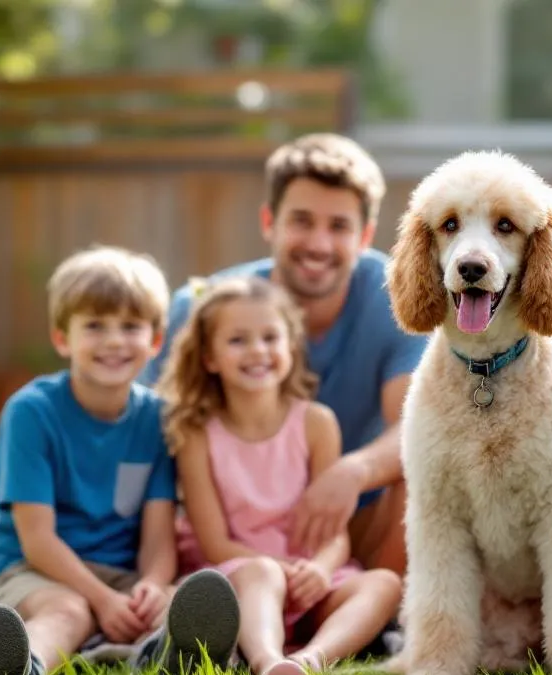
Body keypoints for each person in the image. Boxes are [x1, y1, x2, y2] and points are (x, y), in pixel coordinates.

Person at [0, 246, 241, 675]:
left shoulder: (159, 420)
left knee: (172, 599)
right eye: (95, 326)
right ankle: (20, 674)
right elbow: (37, 539)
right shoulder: (32, 412)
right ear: (63, 338)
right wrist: (101, 601)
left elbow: (159, 535)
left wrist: (149, 583)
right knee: (69, 610)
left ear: (155, 341)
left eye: (130, 327)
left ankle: (165, 658)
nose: (113, 341)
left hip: (119, 575)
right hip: (30, 568)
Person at [139, 132, 424, 579]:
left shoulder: (398, 301)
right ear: (269, 222)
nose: (319, 244)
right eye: (302, 221)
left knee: (426, 466)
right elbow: (144, 440)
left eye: (339, 226)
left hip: (353, 515)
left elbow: (416, 423)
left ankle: (385, 617)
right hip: (228, 529)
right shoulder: (201, 310)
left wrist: (353, 471)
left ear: (365, 235)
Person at [155, 275, 403, 675]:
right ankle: (267, 661)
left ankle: (310, 660)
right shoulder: (196, 434)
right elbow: (213, 542)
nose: (257, 351)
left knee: (382, 584)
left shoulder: (316, 423)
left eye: (270, 337)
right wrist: (279, 569)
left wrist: (320, 571)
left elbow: (335, 534)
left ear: (290, 346)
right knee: (263, 575)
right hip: (241, 574)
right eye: (238, 340)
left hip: (309, 580)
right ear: (209, 358)